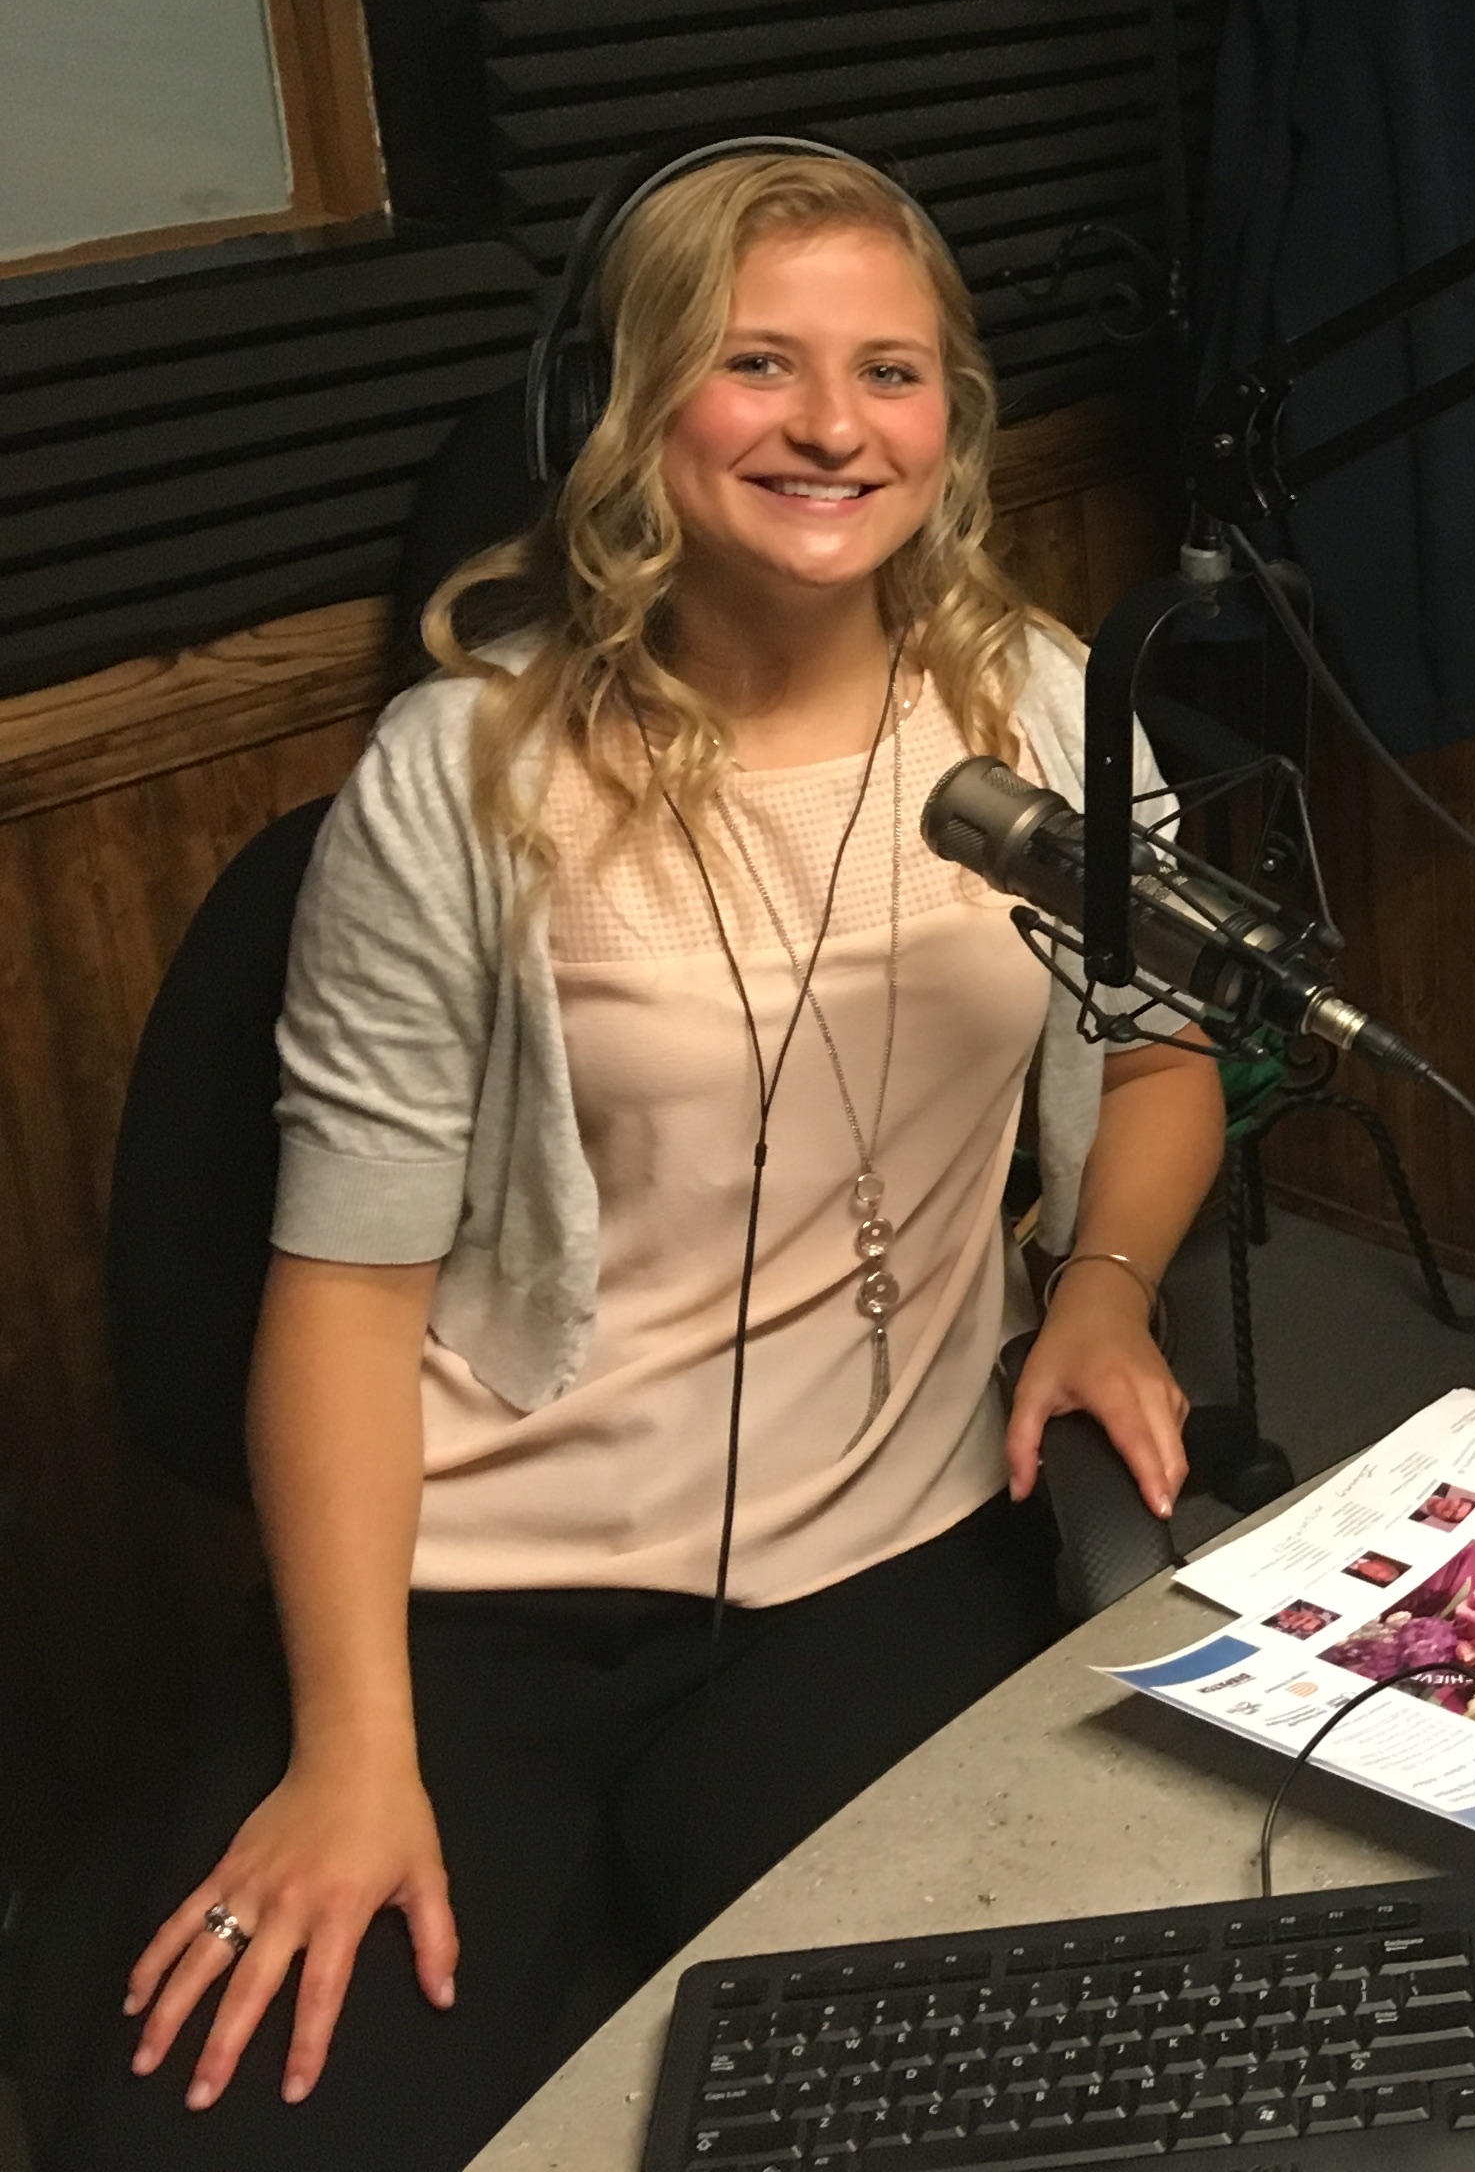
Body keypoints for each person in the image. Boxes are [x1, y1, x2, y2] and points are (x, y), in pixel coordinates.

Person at [60, 149, 1225, 2165]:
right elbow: (343, 1301)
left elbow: (1158, 1047)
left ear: (949, 417)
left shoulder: (1038, 707)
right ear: (619, 404)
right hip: (477, 1593)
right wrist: (353, 1749)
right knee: (240, 2121)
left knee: (985, 2108)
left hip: (883, 1557)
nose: (833, 424)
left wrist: (1104, 1287)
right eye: (756, 362)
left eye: (889, 370)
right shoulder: (460, 779)